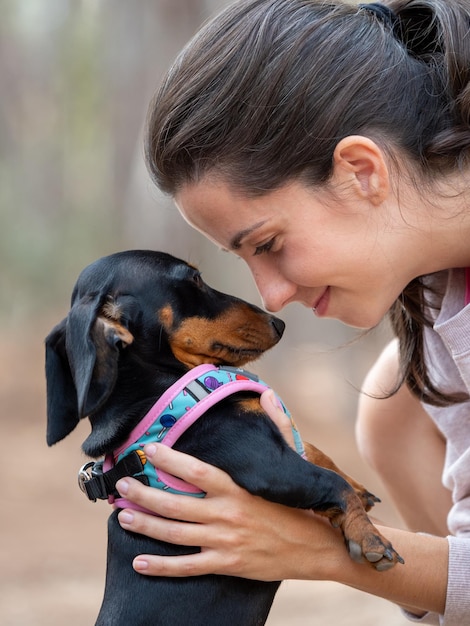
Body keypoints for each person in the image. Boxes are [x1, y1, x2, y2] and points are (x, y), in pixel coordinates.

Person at [113, 0, 470, 623]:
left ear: (362, 172)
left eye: (269, 245)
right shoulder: (442, 295)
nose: (271, 297)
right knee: (395, 395)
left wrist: (317, 551)